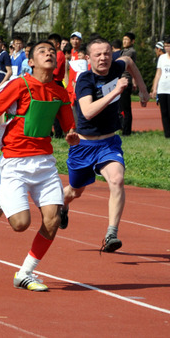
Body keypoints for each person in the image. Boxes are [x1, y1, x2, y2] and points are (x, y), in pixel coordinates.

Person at [0, 41, 78, 291]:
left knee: (52, 220)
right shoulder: (19, 84)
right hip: (14, 162)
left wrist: (72, 135)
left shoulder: (60, 91)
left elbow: (69, 127)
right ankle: (2, 199)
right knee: (21, 225)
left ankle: (25, 273)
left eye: (52, 52)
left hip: (44, 163)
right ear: (30, 62)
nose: (49, 54)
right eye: (42, 52)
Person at [62, 37, 150, 253]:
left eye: (107, 53)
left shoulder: (117, 65)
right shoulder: (85, 80)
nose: (103, 58)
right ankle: (62, 207)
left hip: (108, 143)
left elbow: (128, 61)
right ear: (88, 58)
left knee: (117, 180)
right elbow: (88, 112)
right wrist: (116, 91)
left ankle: (112, 232)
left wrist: (143, 88)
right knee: (74, 191)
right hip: (83, 146)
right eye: (98, 54)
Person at [118, 32, 137, 135]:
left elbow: (121, 61)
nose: (124, 41)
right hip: (120, 80)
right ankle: (123, 128)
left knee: (126, 108)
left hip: (126, 81)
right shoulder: (123, 51)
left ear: (132, 41)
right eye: (123, 39)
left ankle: (126, 131)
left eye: (127, 39)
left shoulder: (131, 52)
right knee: (121, 107)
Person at [151, 38, 170, 138]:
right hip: (163, 88)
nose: (167, 48)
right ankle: (167, 134)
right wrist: (155, 88)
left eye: (169, 46)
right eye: (166, 46)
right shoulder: (162, 58)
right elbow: (158, 73)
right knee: (164, 112)